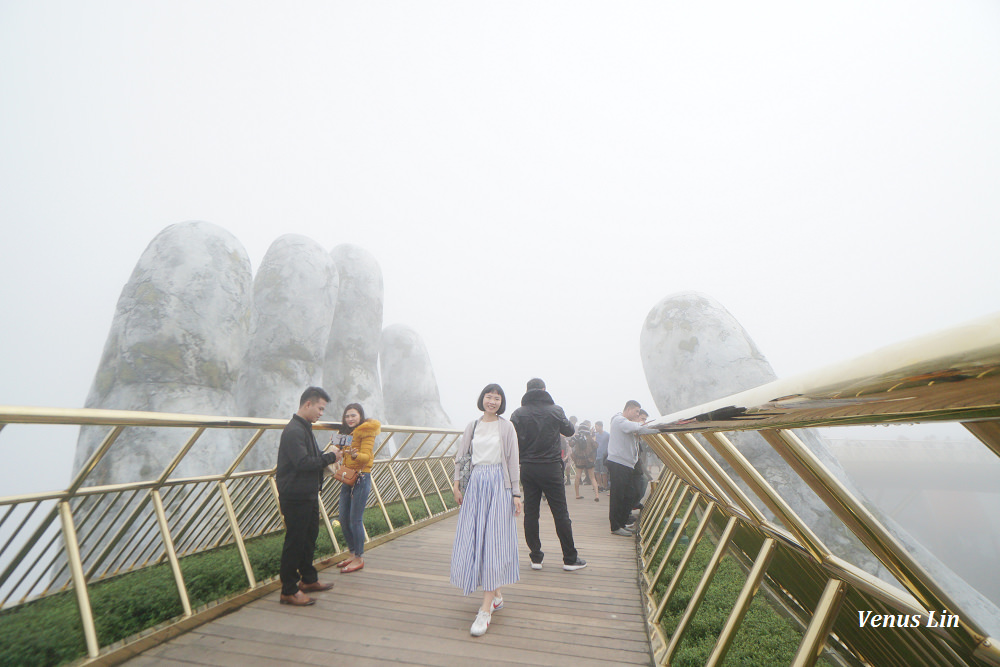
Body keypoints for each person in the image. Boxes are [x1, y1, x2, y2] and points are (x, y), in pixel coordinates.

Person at [450, 384, 522, 637]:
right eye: (489, 397)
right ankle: (497, 596)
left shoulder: (506, 426)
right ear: (482, 399)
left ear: (501, 402)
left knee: (494, 542)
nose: (492, 401)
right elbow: (461, 456)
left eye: (497, 398)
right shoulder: (473, 425)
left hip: (498, 486)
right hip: (476, 486)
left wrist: (515, 493)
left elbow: (513, 461)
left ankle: (485, 609)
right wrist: (457, 484)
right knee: (476, 539)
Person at [509, 378, 587, 572]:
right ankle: (570, 558)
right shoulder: (555, 410)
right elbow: (568, 430)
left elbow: (510, 439)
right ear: (544, 390)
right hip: (551, 467)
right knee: (560, 513)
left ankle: (536, 558)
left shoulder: (518, 413)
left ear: (526, 391)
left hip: (527, 467)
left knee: (531, 513)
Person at [275, 386, 342, 606]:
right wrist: (330, 457)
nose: (321, 413)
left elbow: (310, 458)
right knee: (295, 541)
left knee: (308, 538)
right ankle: (288, 590)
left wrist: (329, 455)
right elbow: (302, 463)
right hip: (295, 495)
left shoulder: (304, 428)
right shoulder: (294, 430)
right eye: (320, 408)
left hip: (307, 493)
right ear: (307, 404)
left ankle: (308, 579)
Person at [332, 402, 381, 574]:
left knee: (355, 519)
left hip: (361, 477)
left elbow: (366, 457)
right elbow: (337, 451)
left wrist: (354, 454)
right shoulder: (345, 433)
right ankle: (352, 553)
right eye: (347, 416)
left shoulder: (365, 431)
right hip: (347, 476)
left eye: (353, 415)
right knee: (343, 518)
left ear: (360, 415)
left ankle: (359, 558)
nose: (350, 419)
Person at [607, 400, 657, 536]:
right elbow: (638, 427)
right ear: (628, 409)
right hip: (619, 463)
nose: (637, 414)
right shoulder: (619, 420)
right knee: (618, 496)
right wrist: (655, 426)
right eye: (636, 411)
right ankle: (616, 526)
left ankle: (622, 523)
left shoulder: (625, 424)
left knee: (629, 494)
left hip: (626, 464)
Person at [571, 421, 600, 502]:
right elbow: (596, 446)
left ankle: (577, 494)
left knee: (577, 476)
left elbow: (571, 444)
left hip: (579, 460)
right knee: (592, 477)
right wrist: (593, 437)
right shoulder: (589, 438)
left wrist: (573, 437)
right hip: (589, 460)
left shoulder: (577, 437)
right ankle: (597, 495)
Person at [593, 420, 610, 492]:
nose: (595, 428)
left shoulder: (607, 435)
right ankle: (599, 485)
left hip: (604, 456)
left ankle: (605, 486)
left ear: (600, 426)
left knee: (604, 472)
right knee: (597, 471)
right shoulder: (595, 435)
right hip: (596, 456)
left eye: (596, 427)